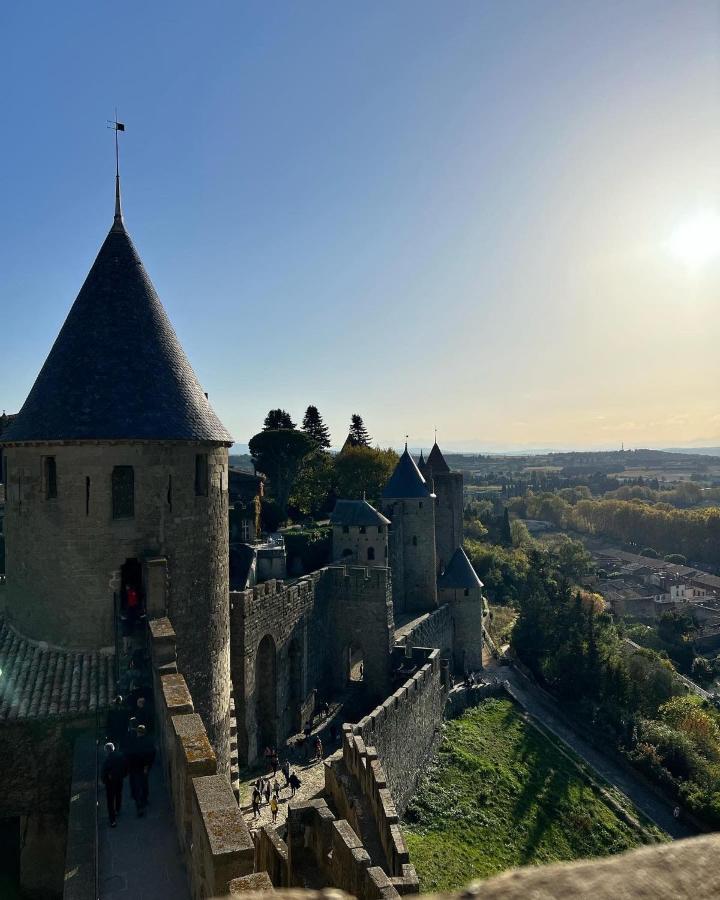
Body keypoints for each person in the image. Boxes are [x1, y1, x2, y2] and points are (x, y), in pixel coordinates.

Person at [127, 725, 156, 817]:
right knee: (144, 783)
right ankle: (144, 800)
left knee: (137, 786)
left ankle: (139, 806)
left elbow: (129, 755)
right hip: (144, 767)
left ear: (138, 732)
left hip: (135, 768)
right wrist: (148, 766)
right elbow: (153, 753)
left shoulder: (134, 742)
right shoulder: (149, 742)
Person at [101, 742, 127, 828]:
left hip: (110, 783)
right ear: (113, 748)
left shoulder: (107, 760)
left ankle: (112, 821)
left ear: (106, 750)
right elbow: (125, 766)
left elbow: (104, 772)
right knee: (118, 794)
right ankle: (118, 809)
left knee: (110, 801)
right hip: (119, 779)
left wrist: (105, 781)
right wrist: (123, 775)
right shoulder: (120, 756)